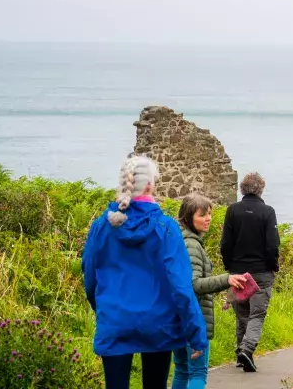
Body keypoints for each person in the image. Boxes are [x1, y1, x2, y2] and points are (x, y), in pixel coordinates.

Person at [83, 155, 208, 389]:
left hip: (115, 319)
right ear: (150, 185)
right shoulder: (166, 228)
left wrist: (101, 309)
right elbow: (181, 287)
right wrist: (196, 333)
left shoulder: (101, 227)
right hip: (158, 324)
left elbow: (90, 279)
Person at [172, 194, 247, 389]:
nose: (208, 219)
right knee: (197, 372)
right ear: (189, 217)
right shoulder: (192, 245)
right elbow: (194, 283)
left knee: (182, 371)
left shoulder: (180, 240)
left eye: (210, 214)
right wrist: (227, 279)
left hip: (177, 318)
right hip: (193, 318)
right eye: (202, 215)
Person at [219, 171, 280, 372]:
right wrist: (273, 266)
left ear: (242, 189)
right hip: (261, 273)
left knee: (242, 314)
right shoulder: (268, 212)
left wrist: (230, 267)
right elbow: (272, 245)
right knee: (257, 315)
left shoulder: (232, 210)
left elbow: (225, 244)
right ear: (260, 189)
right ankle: (247, 349)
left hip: (238, 271)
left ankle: (240, 353)